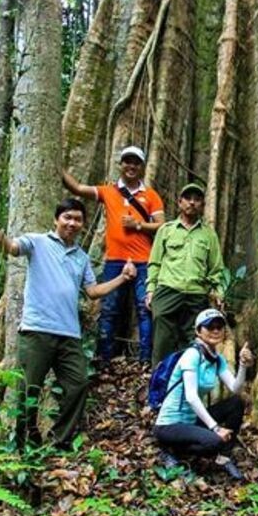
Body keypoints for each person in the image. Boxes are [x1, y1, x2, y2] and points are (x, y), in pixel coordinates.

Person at [0, 198, 136, 450]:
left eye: (78, 219)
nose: (72, 223)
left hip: (69, 335)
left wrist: (122, 278)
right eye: (67, 218)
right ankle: (22, 446)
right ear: (56, 219)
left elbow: (93, 292)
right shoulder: (37, 242)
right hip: (36, 330)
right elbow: (11, 247)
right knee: (27, 391)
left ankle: (58, 442)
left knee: (78, 385)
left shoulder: (81, 258)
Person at [62, 145, 165, 365]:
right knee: (109, 309)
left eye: (136, 162)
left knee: (145, 309)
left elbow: (162, 226)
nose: (131, 166)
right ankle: (104, 360)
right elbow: (79, 188)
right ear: (121, 165)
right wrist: (56, 166)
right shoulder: (109, 191)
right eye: (127, 161)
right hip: (114, 260)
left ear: (142, 167)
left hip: (145, 261)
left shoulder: (151, 196)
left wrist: (137, 225)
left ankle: (145, 361)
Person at [153, 309, 254, 479]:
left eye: (219, 327)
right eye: (209, 327)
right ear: (198, 331)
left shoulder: (216, 359)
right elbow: (191, 396)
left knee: (236, 402)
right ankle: (171, 451)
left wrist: (243, 365)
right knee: (214, 441)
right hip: (169, 425)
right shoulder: (192, 355)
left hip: (190, 422)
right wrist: (215, 428)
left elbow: (235, 387)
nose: (215, 331)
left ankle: (224, 458)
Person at [146, 182, 226, 366]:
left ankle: (187, 389)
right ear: (179, 202)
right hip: (168, 291)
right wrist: (151, 290)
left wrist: (218, 292)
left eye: (197, 199)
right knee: (162, 345)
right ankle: (160, 387)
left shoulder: (208, 235)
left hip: (196, 295)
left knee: (193, 346)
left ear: (202, 205)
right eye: (188, 199)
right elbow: (155, 263)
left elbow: (216, 269)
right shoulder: (166, 230)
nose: (192, 203)